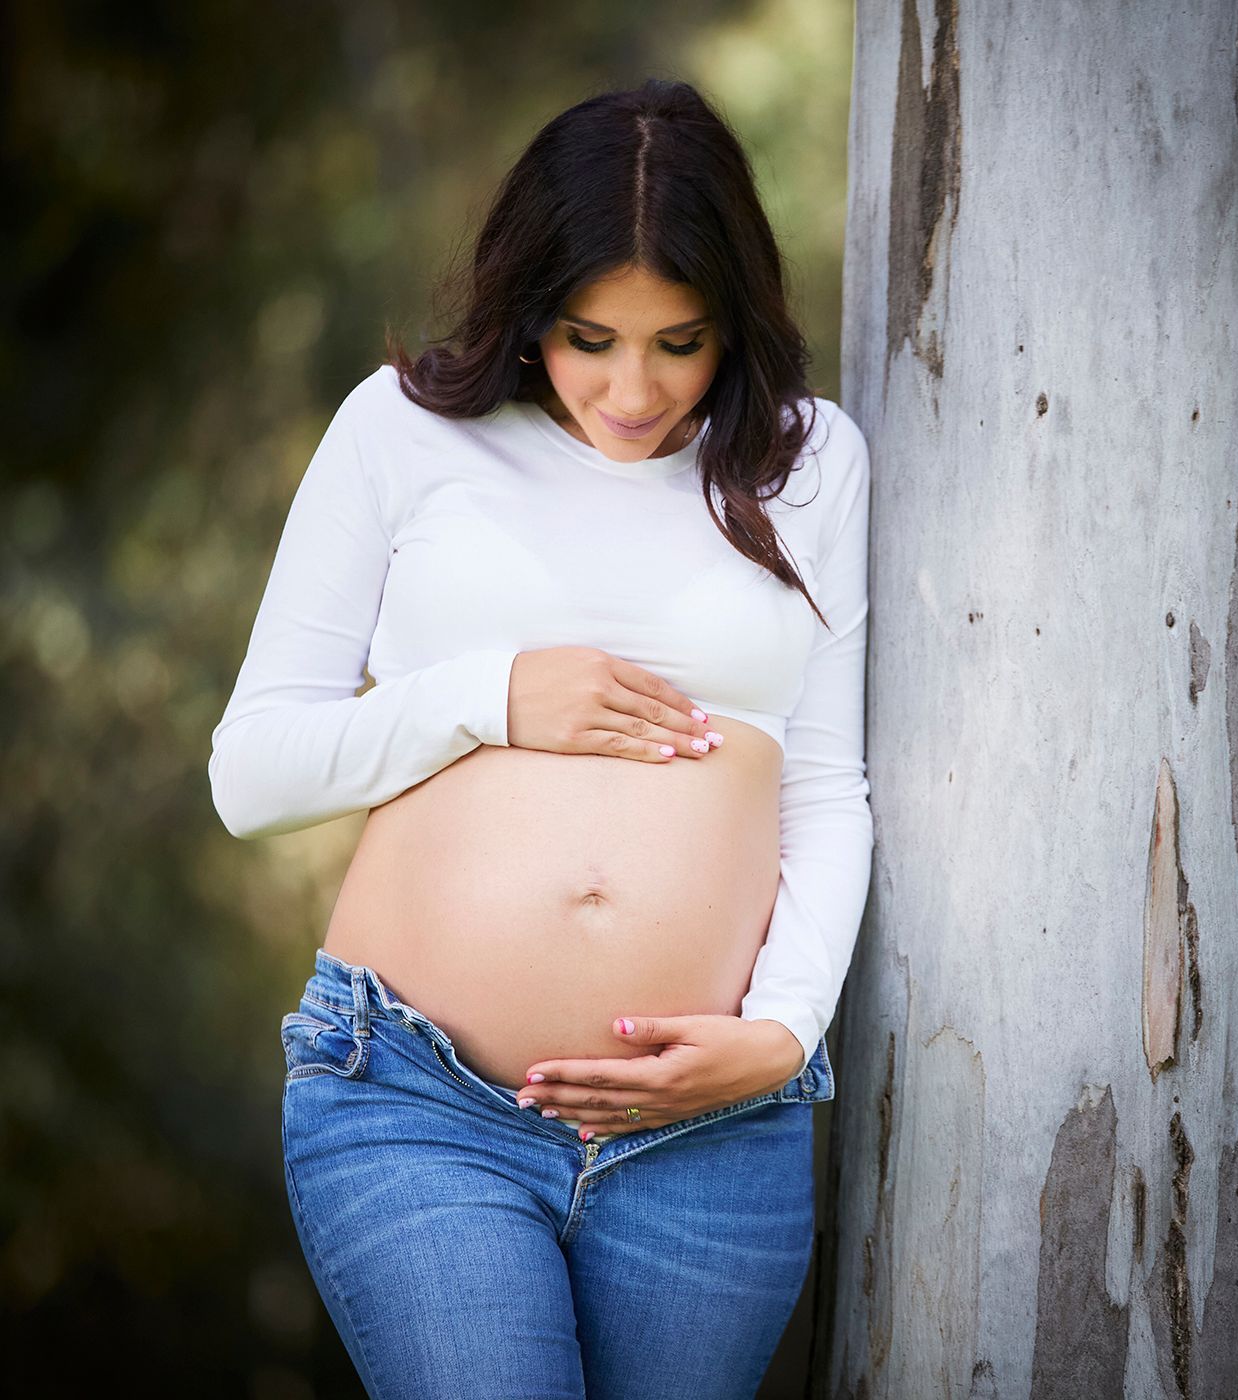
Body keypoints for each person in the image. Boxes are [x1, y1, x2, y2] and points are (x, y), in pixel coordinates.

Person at [207, 80, 872, 1398]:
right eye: (588, 338)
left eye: (681, 344)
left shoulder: (810, 461)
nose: (634, 391)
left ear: (737, 321)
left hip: (709, 1128)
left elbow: (828, 786)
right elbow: (253, 774)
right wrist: (487, 695)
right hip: (419, 1102)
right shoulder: (403, 432)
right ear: (527, 306)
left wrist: (788, 1029)